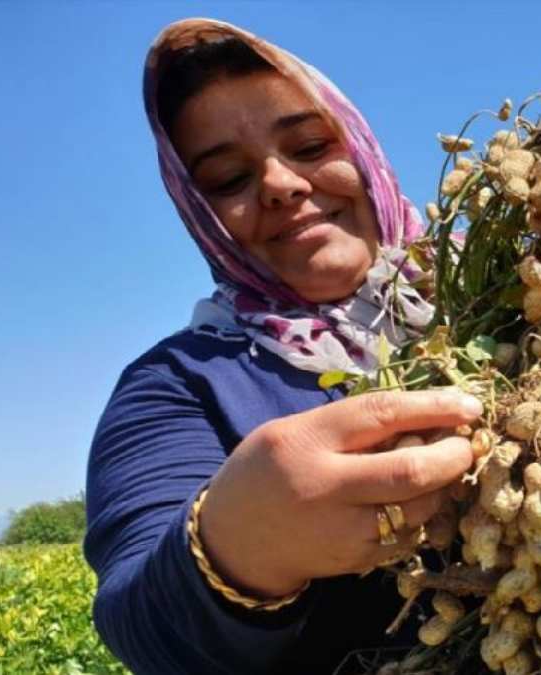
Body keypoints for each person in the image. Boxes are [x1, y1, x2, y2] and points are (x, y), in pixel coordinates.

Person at [83, 18, 478, 674]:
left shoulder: (514, 289)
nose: (280, 184)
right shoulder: (179, 382)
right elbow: (138, 620)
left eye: (309, 144)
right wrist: (237, 545)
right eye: (229, 181)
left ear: (362, 149)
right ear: (199, 216)